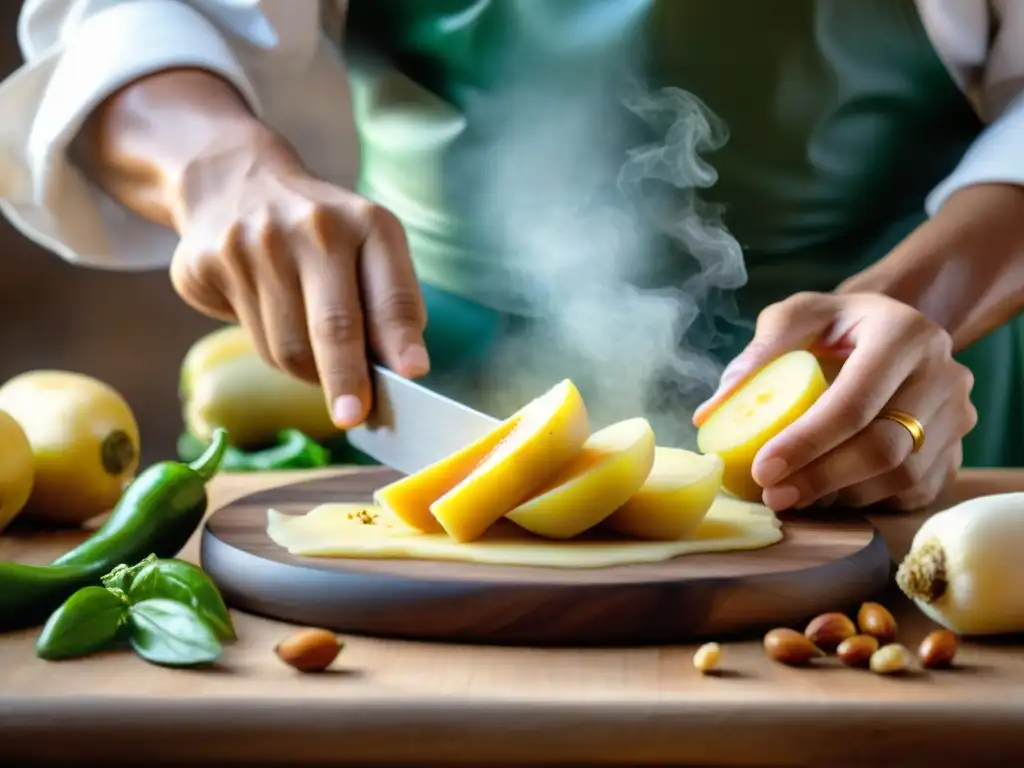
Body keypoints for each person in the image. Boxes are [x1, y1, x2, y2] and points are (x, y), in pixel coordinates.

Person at [1, 0, 1022, 515]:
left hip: (884, 402)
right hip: (418, 381)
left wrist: (908, 301)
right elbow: (135, 17)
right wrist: (223, 171)